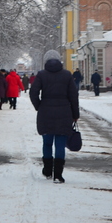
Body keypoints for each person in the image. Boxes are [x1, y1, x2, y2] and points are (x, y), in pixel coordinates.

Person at [30, 50, 79, 184]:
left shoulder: (41, 75)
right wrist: (75, 115)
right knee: (60, 145)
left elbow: (33, 92)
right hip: (64, 112)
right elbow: (73, 96)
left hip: (45, 112)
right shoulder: (67, 75)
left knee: (47, 142)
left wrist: (39, 105)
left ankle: (47, 169)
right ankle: (58, 175)